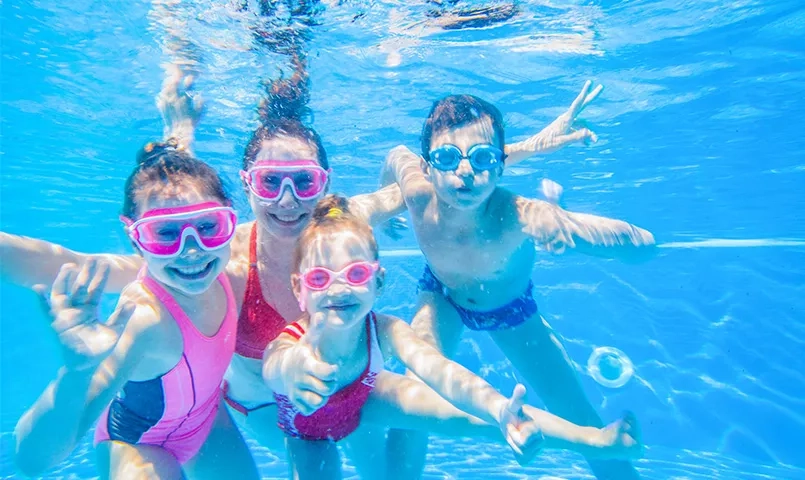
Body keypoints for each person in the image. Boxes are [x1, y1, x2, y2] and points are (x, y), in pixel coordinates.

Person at [262, 194, 643, 479]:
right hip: (308, 431)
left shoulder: (385, 329)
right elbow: (274, 364)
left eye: (355, 274)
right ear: (299, 289)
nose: (339, 288)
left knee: (467, 418)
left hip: (368, 397)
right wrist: (292, 368)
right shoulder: (294, 342)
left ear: (378, 280)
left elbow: (440, 370)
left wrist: (496, 407)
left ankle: (594, 439)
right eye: (319, 278)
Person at [379, 89, 655, 479]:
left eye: (482, 158)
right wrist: (385, 209)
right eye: (446, 157)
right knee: (413, 400)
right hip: (441, 294)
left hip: (509, 310)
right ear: (427, 167)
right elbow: (395, 156)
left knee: (575, 413)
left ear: (500, 166)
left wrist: (595, 236)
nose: (464, 172)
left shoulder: (520, 215)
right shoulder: (416, 192)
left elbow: (634, 242)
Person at [14, 143, 259, 480]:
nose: (192, 251)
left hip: (207, 423)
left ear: (229, 220)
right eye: (165, 233)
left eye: (207, 227)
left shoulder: (230, 278)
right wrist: (76, 373)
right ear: (135, 240)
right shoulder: (144, 319)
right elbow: (32, 462)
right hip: (139, 444)